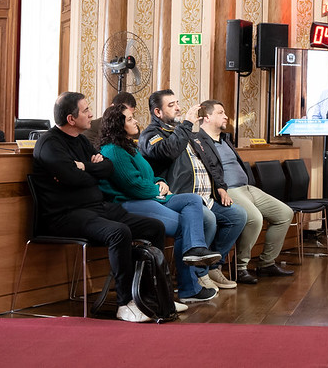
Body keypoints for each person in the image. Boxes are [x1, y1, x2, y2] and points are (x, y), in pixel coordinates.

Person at [32, 92, 166, 323]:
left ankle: (149, 296)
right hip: (65, 215)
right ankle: (125, 303)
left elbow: (108, 168)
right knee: (119, 232)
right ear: (71, 119)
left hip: (96, 208)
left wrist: (84, 167)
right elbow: (72, 178)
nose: (91, 114)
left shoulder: (82, 140)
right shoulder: (49, 144)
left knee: (154, 227)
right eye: (85, 110)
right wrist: (91, 170)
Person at [97, 104, 221, 303]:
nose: (136, 121)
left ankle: (195, 249)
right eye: (130, 119)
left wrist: (160, 182)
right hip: (129, 202)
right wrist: (157, 190)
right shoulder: (113, 150)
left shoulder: (129, 146)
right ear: (118, 126)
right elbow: (133, 186)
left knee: (193, 199)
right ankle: (188, 289)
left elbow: (148, 175)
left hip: (149, 197)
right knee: (184, 226)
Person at [139, 89, 246, 293]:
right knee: (208, 220)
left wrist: (220, 187)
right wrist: (187, 124)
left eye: (177, 103)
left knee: (238, 216)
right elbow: (168, 151)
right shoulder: (151, 135)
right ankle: (198, 274)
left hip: (207, 197)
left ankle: (213, 267)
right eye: (171, 105)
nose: (178, 108)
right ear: (158, 112)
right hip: (180, 197)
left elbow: (211, 161)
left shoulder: (186, 133)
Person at [197, 99, 295, 284]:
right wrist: (221, 188)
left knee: (285, 213)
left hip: (247, 187)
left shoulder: (225, 139)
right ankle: (241, 267)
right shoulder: (199, 141)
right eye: (220, 113)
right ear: (207, 117)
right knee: (255, 218)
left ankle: (266, 263)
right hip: (229, 190)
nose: (226, 116)